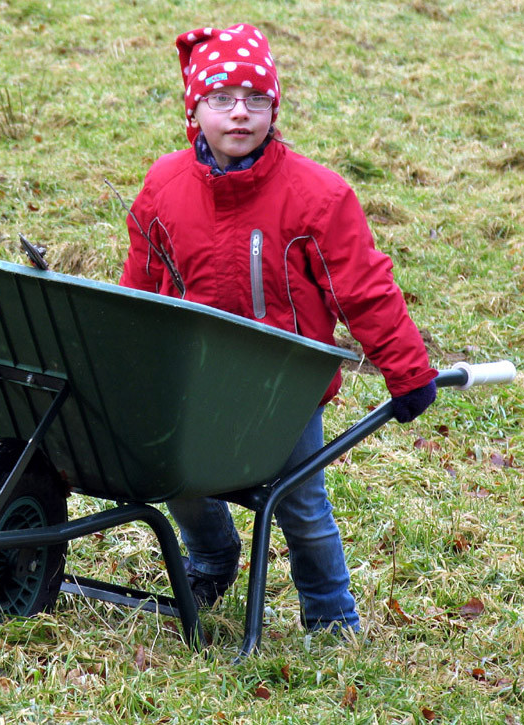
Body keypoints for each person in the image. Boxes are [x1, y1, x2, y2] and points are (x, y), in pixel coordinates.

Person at [118, 23, 438, 632]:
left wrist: (408, 371)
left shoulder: (316, 196)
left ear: (274, 108)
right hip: (194, 378)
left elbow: (365, 291)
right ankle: (212, 557)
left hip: (281, 389)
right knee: (176, 476)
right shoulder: (164, 187)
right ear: (195, 108)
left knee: (299, 503)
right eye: (220, 99)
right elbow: (143, 282)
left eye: (255, 99)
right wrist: (124, 354)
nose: (239, 114)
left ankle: (331, 615)